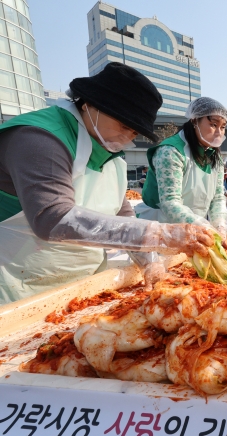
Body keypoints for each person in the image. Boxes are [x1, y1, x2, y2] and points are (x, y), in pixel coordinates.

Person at [0, 63, 213, 304]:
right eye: (124, 126)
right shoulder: (39, 138)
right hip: (19, 287)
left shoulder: (112, 158)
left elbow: (123, 218)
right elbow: (52, 218)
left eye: (134, 133)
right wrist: (160, 233)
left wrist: (150, 262)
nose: (127, 139)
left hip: (85, 285)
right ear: (91, 104)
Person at [137, 97, 227, 240]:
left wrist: (220, 227)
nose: (219, 132)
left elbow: (217, 198)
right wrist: (202, 226)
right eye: (213, 124)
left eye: (223, 127)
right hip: (160, 228)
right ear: (194, 120)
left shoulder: (214, 157)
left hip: (194, 230)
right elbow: (170, 203)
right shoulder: (171, 151)